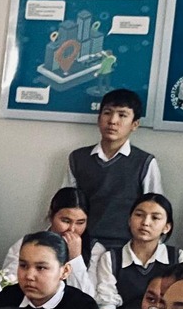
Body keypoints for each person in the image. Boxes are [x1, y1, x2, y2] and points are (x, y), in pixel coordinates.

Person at [62, 88, 161, 251]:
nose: (113, 121)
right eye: (107, 113)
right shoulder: (78, 158)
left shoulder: (144, 162)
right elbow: (65, 205)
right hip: (82, 244)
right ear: (98, 118)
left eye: (122, 115)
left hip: (126, 247)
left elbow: (156, 211)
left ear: (135, 124)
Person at [90, 193, 183, 309]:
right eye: (139, 215)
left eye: (155, 218)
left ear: (166, 227)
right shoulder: (110, 259)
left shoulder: (178, 258)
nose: (145, 223)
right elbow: (106, 306)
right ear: (129, 220)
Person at [2, 187, 98, 298]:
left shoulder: (94, 249)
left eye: (80, 223)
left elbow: (88, 299)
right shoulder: (28, 244)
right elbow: (8, 283)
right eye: (65, 221)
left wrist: (76, 259)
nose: (72, 229)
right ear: (51, 216)